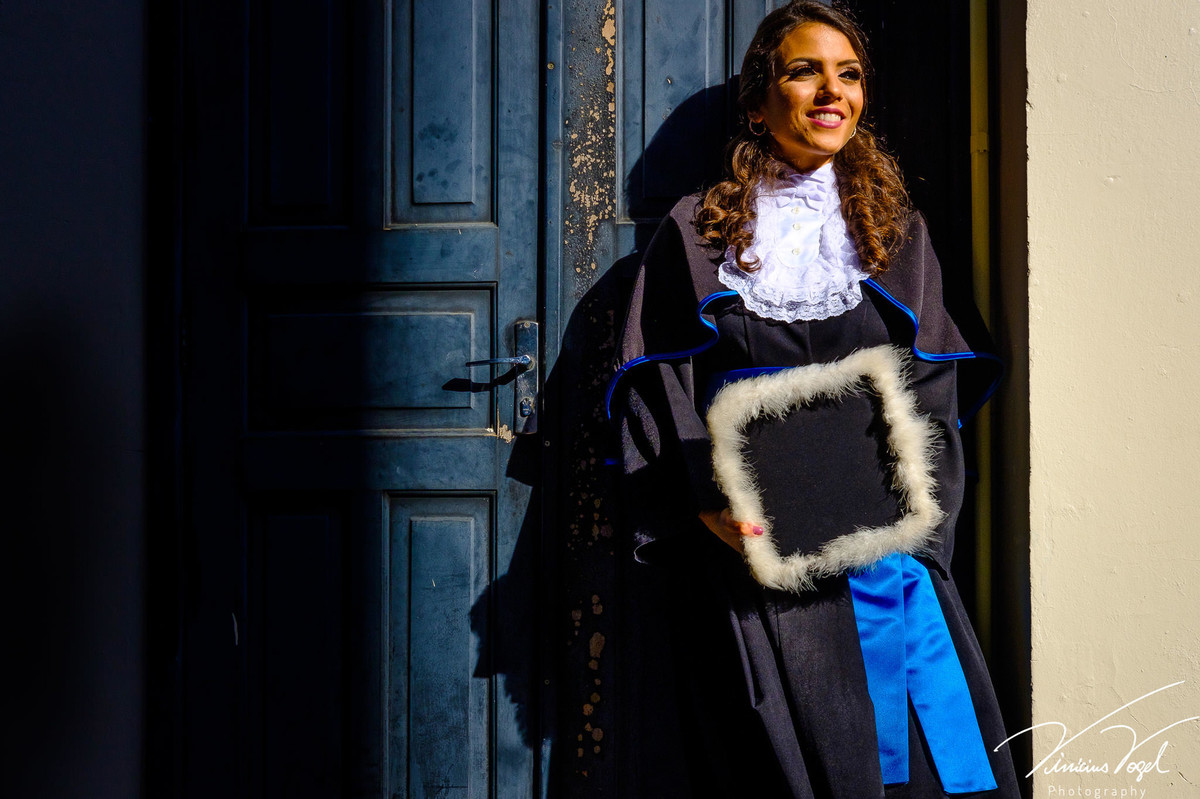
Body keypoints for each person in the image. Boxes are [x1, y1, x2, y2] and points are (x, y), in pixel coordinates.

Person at [610, 2, 1022, 796]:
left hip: (886, 567)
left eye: (849, 73)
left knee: (918, 765)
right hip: (756, 564)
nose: (832, 91)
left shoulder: (894, 233)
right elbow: (661, 388)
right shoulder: (698, 235)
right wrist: (707, 507)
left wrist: (918, 538)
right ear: (762, 102)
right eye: (804, 70)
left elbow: (932, 389)